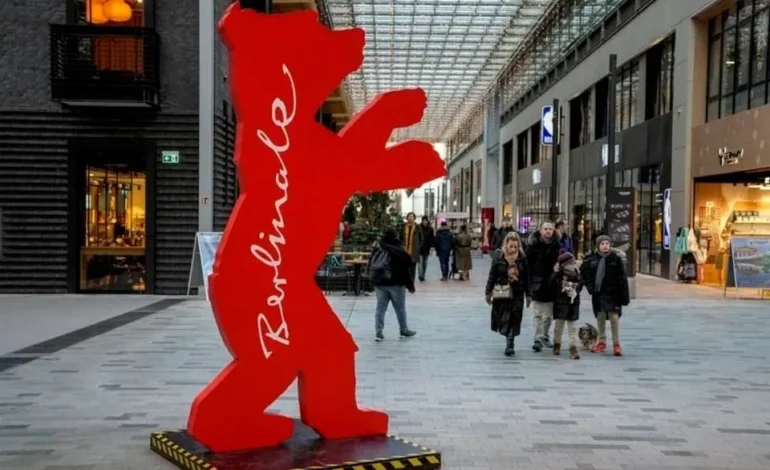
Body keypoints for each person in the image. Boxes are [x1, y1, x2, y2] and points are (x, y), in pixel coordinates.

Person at [580, 235, 630, 356]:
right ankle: (601, 341)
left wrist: (624, 296)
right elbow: (585, 275)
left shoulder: (616, 259)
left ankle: (616, 344)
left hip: (613, 293)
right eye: (602, 244)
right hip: (599, 293)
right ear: (598, 245)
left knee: (614, 317)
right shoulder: (592, 259)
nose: (605, 246)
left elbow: (622, 278)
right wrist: (591, 288)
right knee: (600, 316)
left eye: (607, 243)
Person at [485, 232, 530, 357]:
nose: (513, 249)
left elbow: (526, 277)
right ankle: (507, 336)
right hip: (502, 292)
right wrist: (488, 292)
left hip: (517, 292)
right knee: (503, 317)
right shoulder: (499, 257)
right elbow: (492, 275)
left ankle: (510, 342)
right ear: (506, 245)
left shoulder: (522, 258)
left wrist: (529, 294)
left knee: (514, 317)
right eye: (511, 246)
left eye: (516, 247)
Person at [371, 227, 417, 342]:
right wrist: (410, 284)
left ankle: (379, 332)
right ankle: (403, 330)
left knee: (380, 308)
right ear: (395, 236)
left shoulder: (378, 247)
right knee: (400, 308)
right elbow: (406, 268)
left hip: (380, 283)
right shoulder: (399, 249)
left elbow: (372, 263)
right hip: (397, 283)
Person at [525, 221, 562, 352]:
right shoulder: (533, 245)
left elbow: (564, 262)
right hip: (536, 283)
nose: (548, 231)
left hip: (552, 284)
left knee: (548, 316)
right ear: (540, 230)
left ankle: (545, 335)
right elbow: (527, 265)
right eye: (545, 229)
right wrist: (528, 284)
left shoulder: (558, 246)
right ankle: (538, 338)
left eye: (550, 229)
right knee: (537, 314)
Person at [550, 250, 582, 359]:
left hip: (573, 302)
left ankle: (573, 348)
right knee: (559, 326)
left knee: (572, 327)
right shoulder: (559, 273)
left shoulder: (577, 272)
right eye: (571, 262)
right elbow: (552, 284)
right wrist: (556, 275)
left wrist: (575, 289)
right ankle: (557, 344)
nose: (573, 264)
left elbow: (581, 285)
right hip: (561, 302)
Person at [402, 212, 423, 282]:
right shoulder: (403, 226)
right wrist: (402, 245)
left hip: (414, 251)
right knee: (405, 268)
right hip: (405, 250)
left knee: (413, 268)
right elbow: (400, 237)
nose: (410, 218)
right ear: (407, 217)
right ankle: (406, 281)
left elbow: (421, 238)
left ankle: (412, 282)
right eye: (409, 216)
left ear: (414, 218)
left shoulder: (417, 227)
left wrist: (418, 246)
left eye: (412, 216)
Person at [418, 216, 435, 282]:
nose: (424, 222)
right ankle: (420, 275)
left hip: (427, 248)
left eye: (425, 220)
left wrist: (432, 247)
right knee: (420, 263)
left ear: (427, 221)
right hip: (419, 248)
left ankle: (423, 275)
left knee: (425, 263)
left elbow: (432, 239)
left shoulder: (430, 229)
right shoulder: (418, 228)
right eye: (423, 220)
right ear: (422, 221)